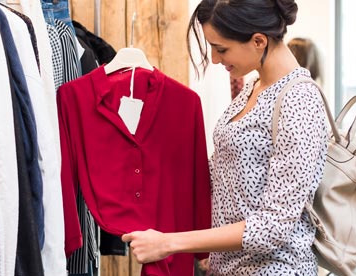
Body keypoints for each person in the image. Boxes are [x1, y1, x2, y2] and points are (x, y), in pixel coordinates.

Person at [122, 0, 329, 275]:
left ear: (258, 41)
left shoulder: (299, 100)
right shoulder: (254, 87)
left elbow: (273, 225)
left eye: (221, 49)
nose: (216, 59)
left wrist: (169, 242)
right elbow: (226, 175)